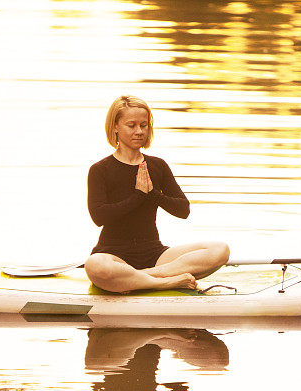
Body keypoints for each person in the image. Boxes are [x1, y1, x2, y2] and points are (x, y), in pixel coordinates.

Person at [84, 95, 229, 293]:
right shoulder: (100, 169)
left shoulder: (157, 165)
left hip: (155, 255)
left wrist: (153, 194)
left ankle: (140, 277)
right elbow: (99, 216)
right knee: (95, 265)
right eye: (131, 125)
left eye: (144, 125)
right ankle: (164, 281)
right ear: (115, 127)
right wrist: (137, 196)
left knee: (220, 250)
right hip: (113, 254)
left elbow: (183, 209)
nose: (139, 131)